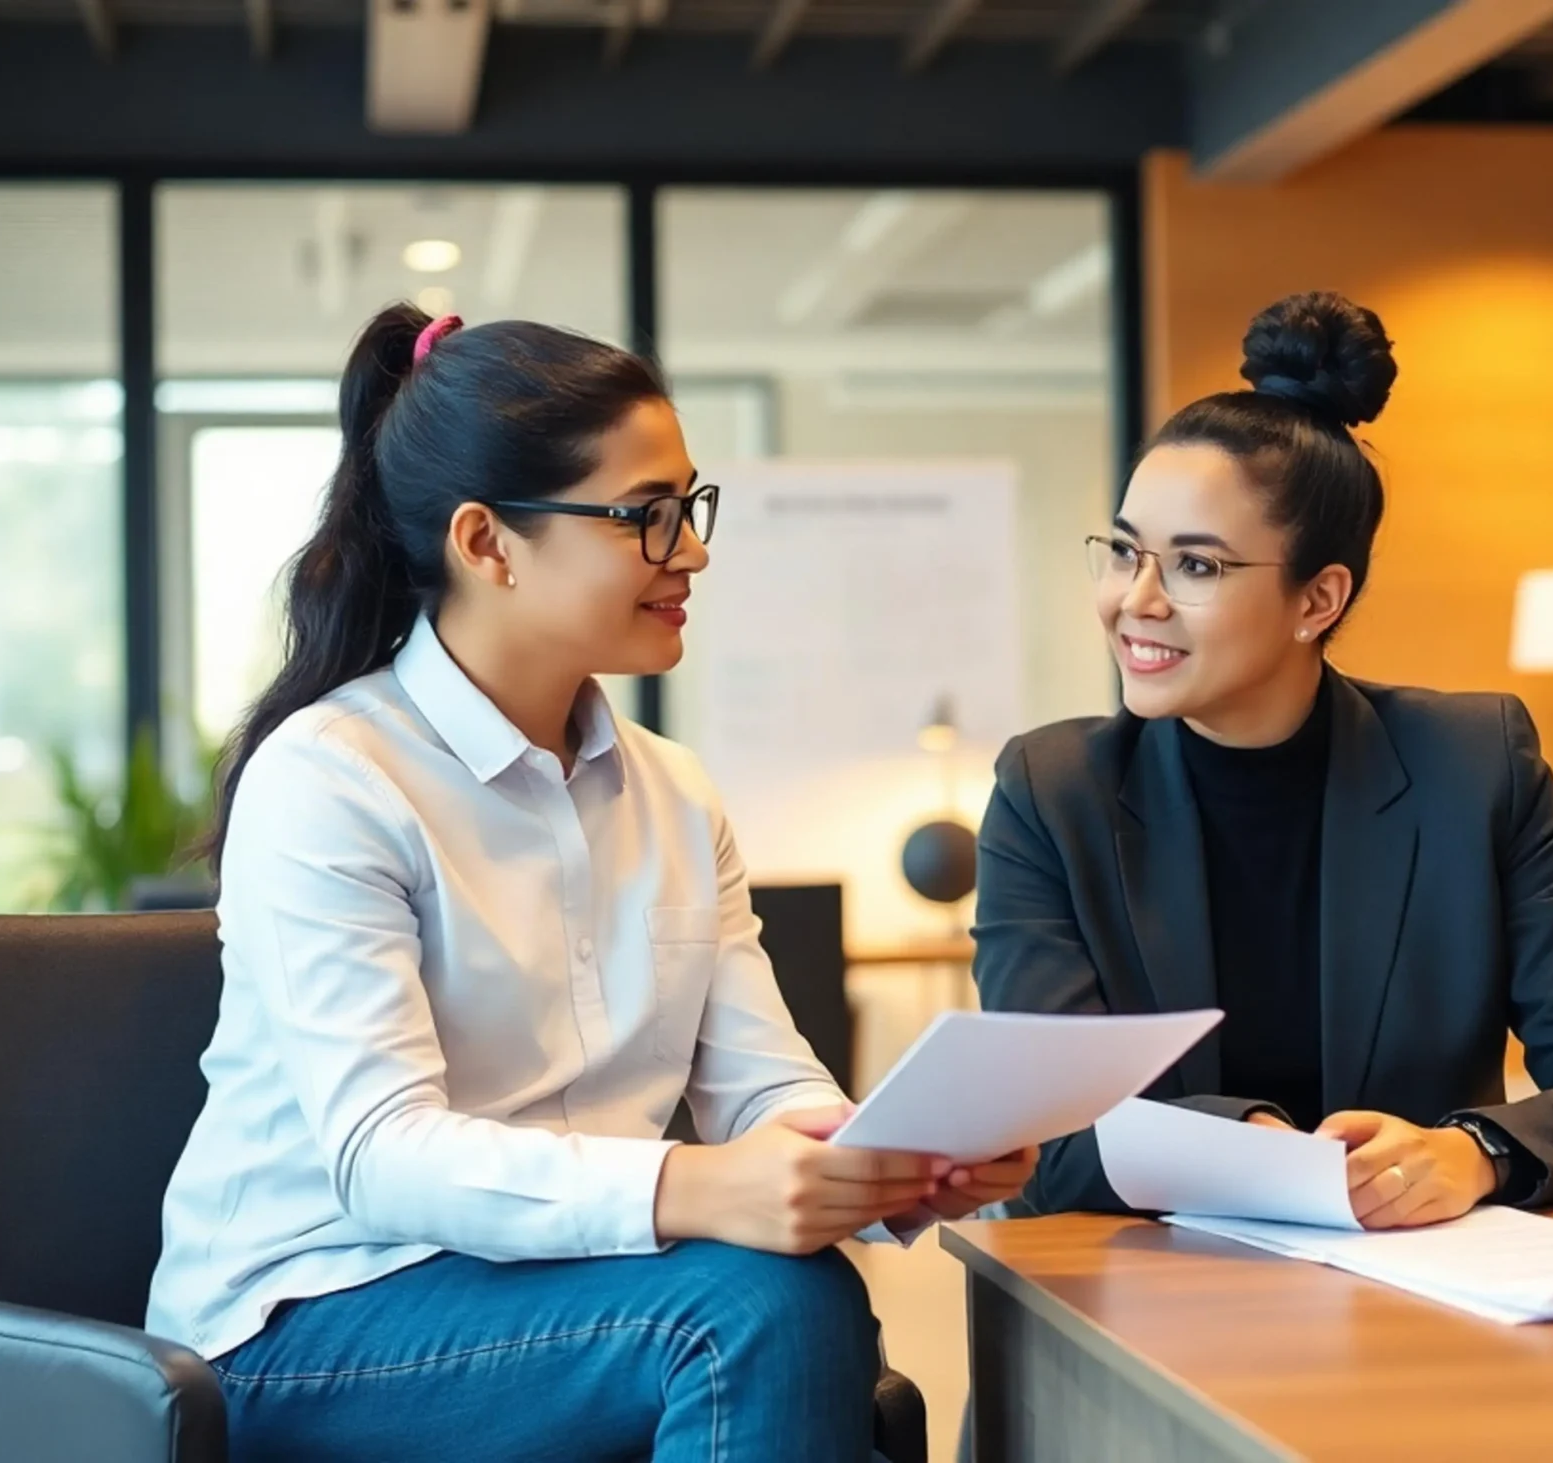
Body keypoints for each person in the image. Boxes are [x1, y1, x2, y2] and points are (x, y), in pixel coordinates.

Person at [147, 304, 1032, 1461]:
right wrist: (701, 1189)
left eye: (690, 507)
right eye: (645, 516)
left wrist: (883, 1153)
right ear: (487, 542)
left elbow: (764, 1085)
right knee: (754, 1313)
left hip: (561, 1289)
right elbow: (383, 1155)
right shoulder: (330, 777)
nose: (693, 551)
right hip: (304, 1323)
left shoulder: (672, 789)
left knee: (788, 1292)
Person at [972, 291, 1553, 1230]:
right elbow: (1043, 1137)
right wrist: (1257, 1147)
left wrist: (1474, 1151)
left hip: (1416, 1290)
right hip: (1143, 1298)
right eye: (1124, 551)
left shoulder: (1474, 767)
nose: (1133, 600)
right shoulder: (1050, 792)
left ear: (1319, 598)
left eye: (1195, 566)